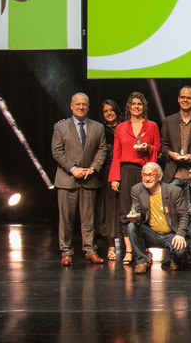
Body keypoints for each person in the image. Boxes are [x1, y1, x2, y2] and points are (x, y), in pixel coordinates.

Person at [52, 93, 107, 266]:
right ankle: (66, 252)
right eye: (78, 104)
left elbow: (102, 150)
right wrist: (73, 169)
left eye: (84, 104)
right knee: (66, 219)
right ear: (71, 106)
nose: (81, 107)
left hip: (89, 179)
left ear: (88, 107)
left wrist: (92, 169)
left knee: (89, 220)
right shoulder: (60, 127)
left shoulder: (98, 127)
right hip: (67, 179)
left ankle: (90, 251)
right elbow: (57, 151)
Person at [108, 92, 161, 266]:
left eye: (139, 103)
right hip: (125, 171)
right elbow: (116, 154)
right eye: (133, 103)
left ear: (143, 106)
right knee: (126, 211)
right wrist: (115, 177)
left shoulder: (152, 126)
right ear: (129, 107)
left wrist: (149, 148)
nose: (136, 106)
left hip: (144, 172)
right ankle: (129, 250)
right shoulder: (121, 127)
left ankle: (145, 250)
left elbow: (158, 149)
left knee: (145, 211)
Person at [160, 86, 191, 254]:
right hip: (172, 174)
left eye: (189, 98)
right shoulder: (169, 121)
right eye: (183, 97)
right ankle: (175, 251)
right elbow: (163, 145)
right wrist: (171, 154)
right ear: (178, 99)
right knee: (172, 215)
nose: (186, 100)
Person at [126, 162, 190, 273]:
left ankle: (172, 258)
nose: (147, 178)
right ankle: (142, 261)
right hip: (151, 233)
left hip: (171, 235)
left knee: (180, 253)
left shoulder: (174, 191)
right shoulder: (137, 190)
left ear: (159, 177)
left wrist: (180, 234)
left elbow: (184, 215)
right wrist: (135, 218)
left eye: (151, 175)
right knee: (131, 226)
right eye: (144, 175)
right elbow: (137, 212)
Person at [96, 99, 122, 262]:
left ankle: (132, 247)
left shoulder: (126, 126)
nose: (109, 113)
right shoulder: (99, 129)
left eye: (112, 110)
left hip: (125, 170)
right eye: (106, 111)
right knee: (109, 210)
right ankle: (111, 247)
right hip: (106, 172)